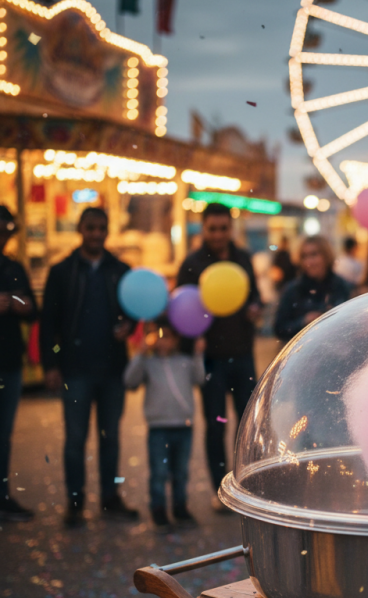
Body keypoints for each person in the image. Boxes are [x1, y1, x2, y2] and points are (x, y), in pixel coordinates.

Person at [39, 207, 139, 527]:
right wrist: (51, 364)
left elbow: (134, 308)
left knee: (110, 439)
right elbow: (48, 324)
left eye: (101, 228)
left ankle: (110, 499)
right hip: (75, 370)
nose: (96, 233)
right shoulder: (61, 272)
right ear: (80, 229)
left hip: (112, 370)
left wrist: (130, 325)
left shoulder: (121, 270)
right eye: (91, 228)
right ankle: (75, 502)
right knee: (75, 438)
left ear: (107, 231)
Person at [176, 203, 262, 511]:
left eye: (223, 228)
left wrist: (254, 309)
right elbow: (180, 308)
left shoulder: (243, 259)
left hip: (242, 354)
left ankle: (247, 483)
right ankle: (219, 490)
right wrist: (191, 338)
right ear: (203, 229)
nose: (218, 234)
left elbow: (254, 297)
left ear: (231, 228)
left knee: (248, 424)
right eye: (212, 228)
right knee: (215, 425)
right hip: (209, 359)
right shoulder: (192, 264)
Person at [124, 320, 205, 530]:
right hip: (158, 427)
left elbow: (200, 378)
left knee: (181, 471)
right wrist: (140, 354)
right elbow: (130, 381)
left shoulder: (185, 361)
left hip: (183, 425)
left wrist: (198, 355)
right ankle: (158, 509)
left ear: (176, 340)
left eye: (167, 336)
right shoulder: (148, 364)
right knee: (159, 471)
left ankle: (180, 507)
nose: (163, 341)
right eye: (158, 336)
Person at [0, 206, 37, 522]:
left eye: (5, 232)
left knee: (4, 432)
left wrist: (12, 302)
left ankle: (2, 493)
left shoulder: (13, 267)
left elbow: (31, 305)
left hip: (9, 360)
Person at [274, 235, 350, 341]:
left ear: (326, 255)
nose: (309, 262)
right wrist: (303, 321)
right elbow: (280, 329)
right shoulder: (293, 290)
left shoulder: (343, 286)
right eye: (304, 256)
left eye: (314, 255)